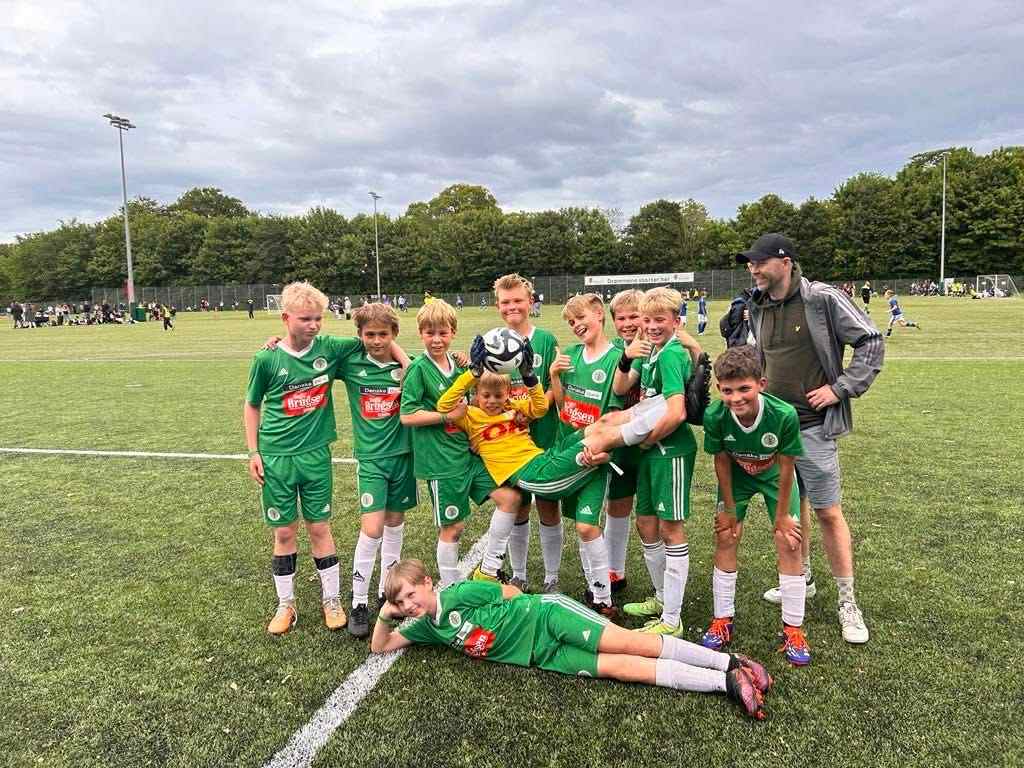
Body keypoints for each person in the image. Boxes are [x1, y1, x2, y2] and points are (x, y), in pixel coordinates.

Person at [371, 559, 773, 721]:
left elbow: (510, 594)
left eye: (410, 595)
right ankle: (725, 682)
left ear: (428, 583)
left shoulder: (460, 593)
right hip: (543, 656)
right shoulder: (426, 627)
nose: (408, 605)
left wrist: (526, 618)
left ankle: (728, 661)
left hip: (548, 618)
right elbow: (381, 646)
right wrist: (386, 614)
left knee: (630, 643)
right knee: (621, 669)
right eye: (400, 602)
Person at [739, 233, 884, 644]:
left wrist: (840, 388)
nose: (752, 268)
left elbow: (871, 341)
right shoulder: (757, 304)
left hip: (814, 428)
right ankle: (802, 578)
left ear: (785, 262)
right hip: (775, 429)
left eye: (759, 262)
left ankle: (847, 602)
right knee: (790, 507)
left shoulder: (821, 298)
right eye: (750, 263)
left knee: (827, 512)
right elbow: (760, 357)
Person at [243, 281, 351, 636]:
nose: (313, 325)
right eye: (305, 319)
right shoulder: (266, 358)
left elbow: (374, 339)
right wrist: (254, 452)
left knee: (320, 528)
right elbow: (252, 405)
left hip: (316, 456)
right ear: (286, 318)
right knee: (285, 531)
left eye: (318, 318)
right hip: (276, 458)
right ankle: (286, 604)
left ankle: (331, 600)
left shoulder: (330, 349)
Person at [698, 346, 810, 666]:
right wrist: (729, 509)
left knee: (789, 540)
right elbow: (721, 460)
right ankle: (722, 619)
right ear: (718, 388)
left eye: (744, 389)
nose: (736, 398)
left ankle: (793, 629)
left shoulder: (783, 415)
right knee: (726, 535)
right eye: (727, 391)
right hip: (737, 476)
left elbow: (787, 467)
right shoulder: (715, 416)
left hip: (775, 476)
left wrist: (782, 516)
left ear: (761, 384)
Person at [399, 300, 523, 589]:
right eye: (430, 333)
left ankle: (489, 568)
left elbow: (476, 397)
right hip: (441, 464)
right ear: (420, 333)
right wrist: (446, 416)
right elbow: (407, 415)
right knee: (453, 528)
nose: (436, 339)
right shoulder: (419, 369)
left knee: (510, 499)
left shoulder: (458, 365)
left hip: (467, 456)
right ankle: (452, 588)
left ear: (453, 332)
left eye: (443, 333)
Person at [613, 287, 696, 637]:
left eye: (659, 320)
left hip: (669, 451)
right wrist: (627, 357)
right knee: (646, 524)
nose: (651, 326)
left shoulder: (671, 355)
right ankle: (661, 597)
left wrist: (647, 439)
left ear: (676, 321)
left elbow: (677, 412)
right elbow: (620, 389)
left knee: (670, 529)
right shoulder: (651, 351)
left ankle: (672, 620)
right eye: (647, 320)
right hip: (652, 452)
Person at [334, 303, 415, 638]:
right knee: (371, 529)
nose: (377, 340)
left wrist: (406, 361)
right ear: (360, 335)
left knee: (394, 523)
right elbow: (311, 355)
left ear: (394, 333)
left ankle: (386, 591)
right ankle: (358, 602)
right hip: (371, 460)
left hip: (403, 457)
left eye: (383, 334)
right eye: (370, 334)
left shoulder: (408, 365)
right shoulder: (351, 362)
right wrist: (277, 343)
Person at [546, 293, 626, 614]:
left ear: (599, 314)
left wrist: (605, 449)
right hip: (569, 451)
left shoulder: (617, 357)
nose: (577, 325)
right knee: (579, 524)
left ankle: (605, 600)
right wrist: (554, 376)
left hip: (596, 455)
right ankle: (594, 589)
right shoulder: (571, 355)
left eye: (581, 318)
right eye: (571, 322)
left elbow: (618, 413)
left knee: (586, 525)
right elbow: (563, 405)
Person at [492, 274, 560, 592]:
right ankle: (518, 574)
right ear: (498, 305)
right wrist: (509, 412)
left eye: (518, 300)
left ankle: (551, 577)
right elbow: (488, 392)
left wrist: (533, 410)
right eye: (506, 302)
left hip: (543, 436)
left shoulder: (545, 339)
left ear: (530, 302)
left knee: (547, 506)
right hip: (509, 440)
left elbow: (556, 386)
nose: (512, 307)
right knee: (518, 506)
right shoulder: (493, 341)